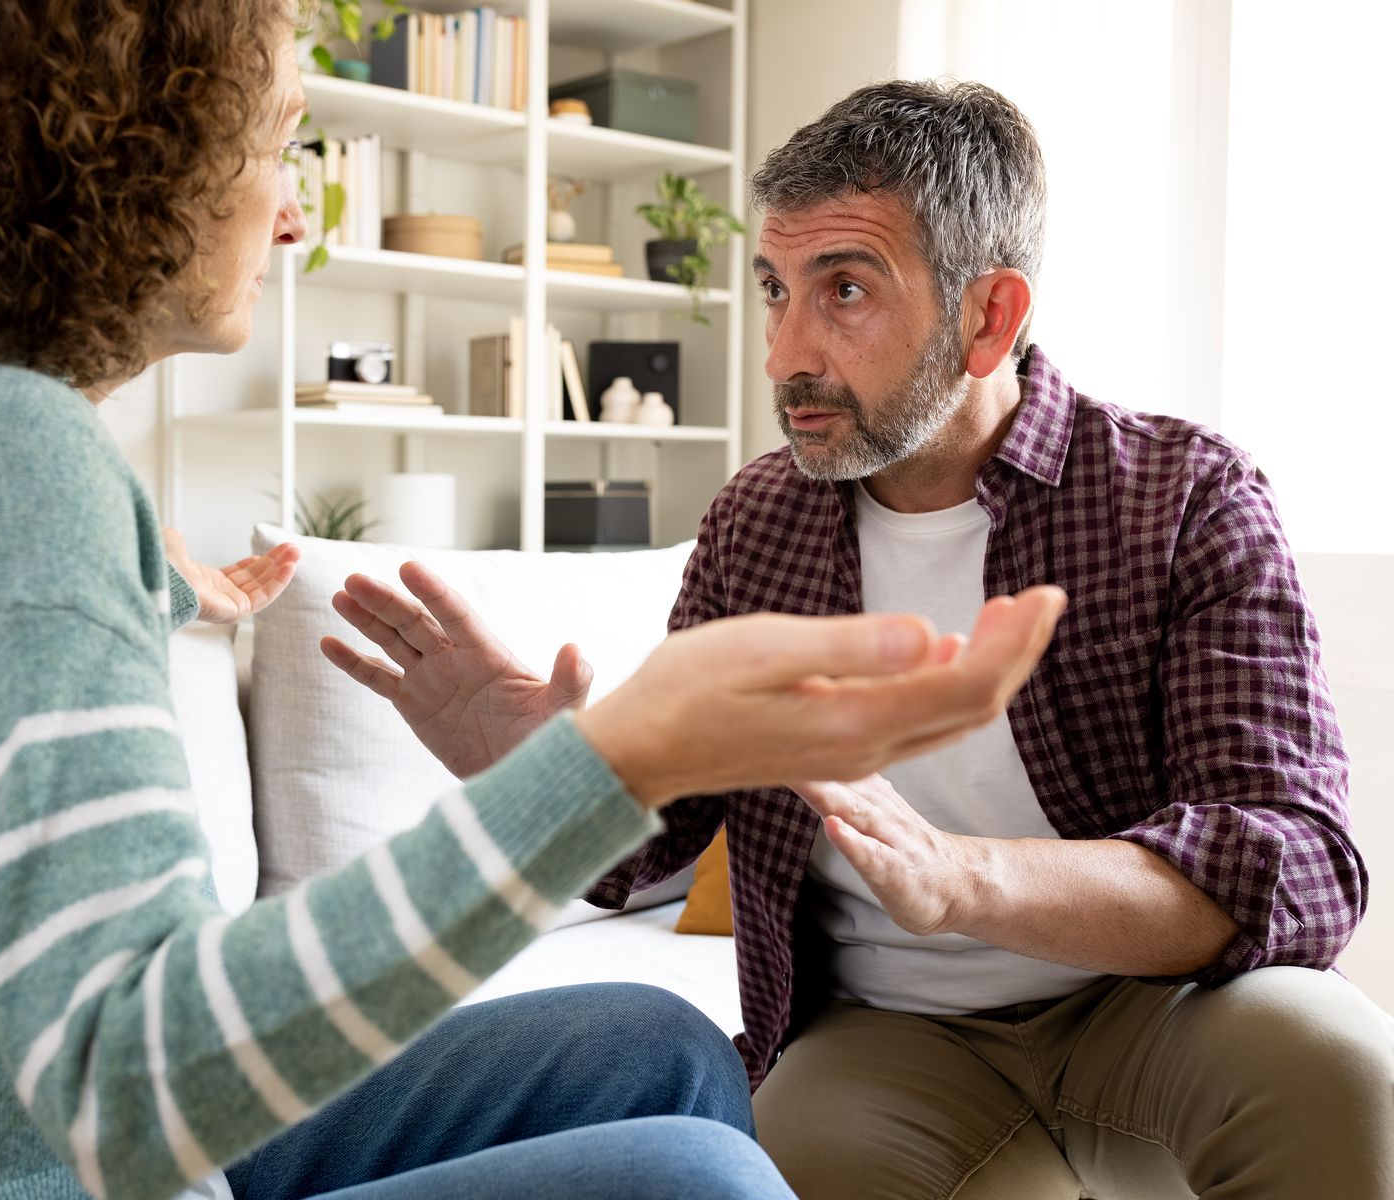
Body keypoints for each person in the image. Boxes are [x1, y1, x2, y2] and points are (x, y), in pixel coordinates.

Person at [0, 5, 1068, 1197]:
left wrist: (165, 587)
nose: (290, 213)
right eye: (277, 142)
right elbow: (131, 1080)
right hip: (17, 1167)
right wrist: (617, 756)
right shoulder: (8, 476)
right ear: (123, 159)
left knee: (661, 1050)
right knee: (698, 1182)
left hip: (2, 1135)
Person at [328, 81, 1394, 1199]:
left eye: (844, 290)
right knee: (759, 1171)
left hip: (1153, 1008)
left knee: (1342, 1070)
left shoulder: (1183, 496)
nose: (785, 353)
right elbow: (659, 838)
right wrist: (540, 770)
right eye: (774, 290)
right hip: (884, 1038)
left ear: (990, 318)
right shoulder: (756, 522)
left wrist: (962, 879)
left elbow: (1299, 862)